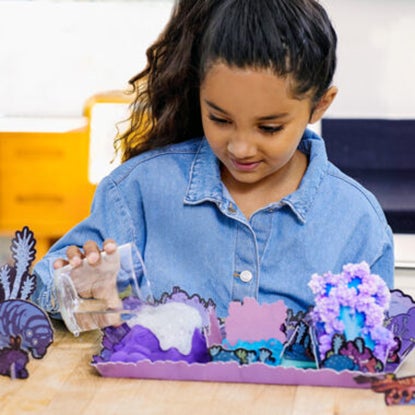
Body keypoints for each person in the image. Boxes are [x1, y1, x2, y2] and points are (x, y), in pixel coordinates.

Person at [33, 0, 394, 320]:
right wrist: (77, 286)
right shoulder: (139, 192)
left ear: (320, 105)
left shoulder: (356, 222)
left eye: (268, 128)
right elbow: (38, 286)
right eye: (220, 119)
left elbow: (372, 348)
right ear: (200, 93)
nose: (240, 148)